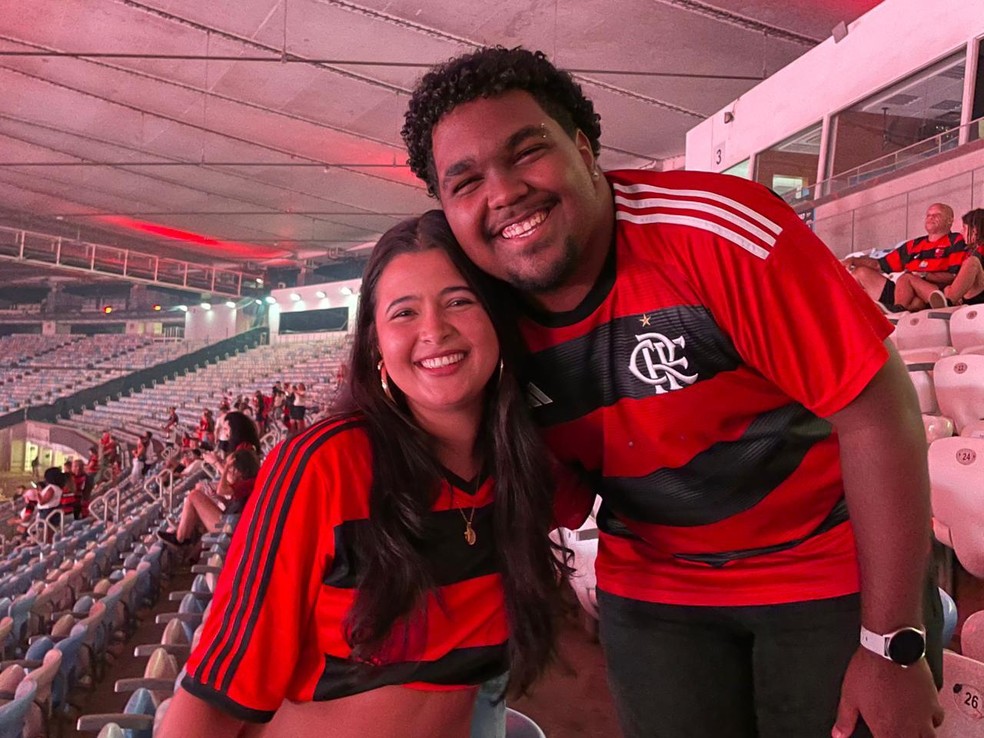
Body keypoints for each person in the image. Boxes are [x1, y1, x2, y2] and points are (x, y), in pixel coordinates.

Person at [403, 47, 944, 738]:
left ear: (583, 145)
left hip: (826, 565)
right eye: (466, 181)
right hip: (659, 585)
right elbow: (548, 498)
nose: (503, 191)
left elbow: (879, 412)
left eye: (526, 152)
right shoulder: (479, 316)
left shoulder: (713, 233)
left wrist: (893, 646)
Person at [157, 212, 588, 738]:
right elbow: (210, 702)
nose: (434, 330)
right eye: (404, 312)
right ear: (376, 344)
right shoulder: (324, 464)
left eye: (459, 301)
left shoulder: (527, 466)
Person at [842, 203, 966, 311]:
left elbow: (956, 277)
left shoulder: (956, 240)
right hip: (903, 292)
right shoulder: (913, 245)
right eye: (928, 215)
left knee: (907, 279)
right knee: (860, 272)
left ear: (950, 220)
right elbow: (878, 264)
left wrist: (922, 275)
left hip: (933, 294)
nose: (930, 218)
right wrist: (854, 260)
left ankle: (899, 309)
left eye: (936, 215)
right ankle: (845, 310)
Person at [158, 447, 262, 547]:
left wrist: (223, 467)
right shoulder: (247, 482)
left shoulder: (245, 484)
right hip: (228, 523)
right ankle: (183, 534)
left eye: (230, 467)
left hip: (227, 528)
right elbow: (234, 503)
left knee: (194, 495)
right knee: (197, 502)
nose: (229, 470)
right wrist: (218, 498)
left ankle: (179, 538)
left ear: (237, 470)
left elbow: (221, 490)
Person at [942, 208, 984, 305]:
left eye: (964, 228)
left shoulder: (976, 254)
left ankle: (948, 302)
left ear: (975, 230)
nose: (961, 232)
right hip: (974, 295)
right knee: (947, 288)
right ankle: (950, 300)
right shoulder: (970, 251)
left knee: (972, 262)